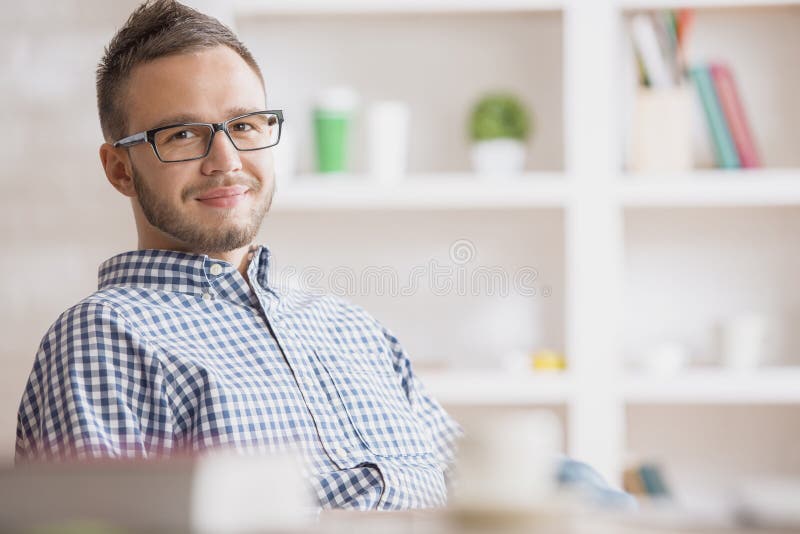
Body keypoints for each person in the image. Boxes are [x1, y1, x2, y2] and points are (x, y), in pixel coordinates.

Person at [16, 0, 631, 512]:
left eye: (247, 124)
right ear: (120, 169)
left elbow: (481, 478)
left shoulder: (351, 329)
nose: (226, 160)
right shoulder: (103, 337)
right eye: (182, 134)